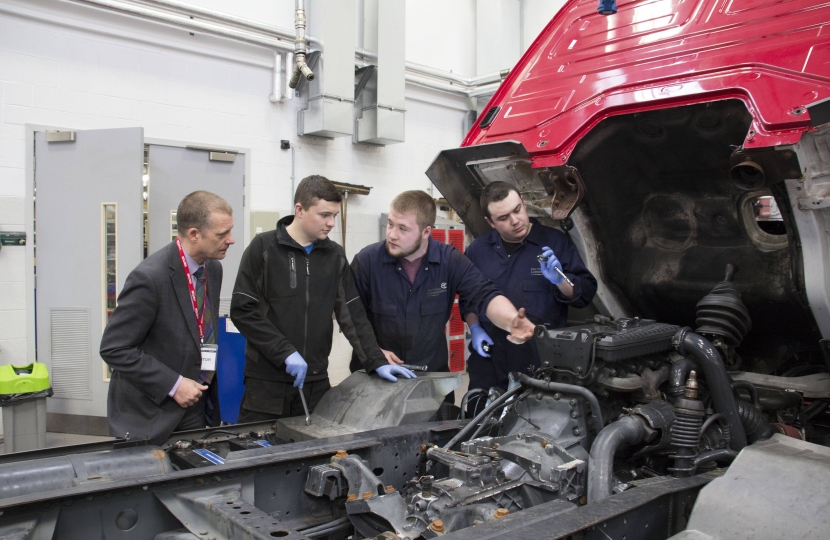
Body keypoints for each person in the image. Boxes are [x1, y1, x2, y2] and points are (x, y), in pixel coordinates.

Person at [231, 175, 412, 423]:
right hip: (267, 383)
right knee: (259, 454)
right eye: (324, 215)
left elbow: (352, 313)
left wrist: (375, 360)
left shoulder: (334, 255)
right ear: (300, 210)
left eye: (335, 216)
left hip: (316, 382)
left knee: (316, 454)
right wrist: (284, 353)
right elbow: (242, 310)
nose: (330, 223)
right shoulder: (263, 248)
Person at [349, 190, 536, 376]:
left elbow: (484, 294)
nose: (391, 235)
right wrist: (374, 355)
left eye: (402, 228)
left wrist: (512, 320)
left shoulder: (449, 261)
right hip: (376, 373)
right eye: (391, 224)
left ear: (426, 232)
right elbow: (351, 317)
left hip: (430, 375)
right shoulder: (367, 262)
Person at [100, 191, 235, 444]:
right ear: (194, 234)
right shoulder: (150, 278)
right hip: (151, 414)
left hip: (197, 405)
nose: (231, 240)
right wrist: (173, 384)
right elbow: (114, 348)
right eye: (221, 234)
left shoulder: (213, 269)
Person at [463, 181, 597, 397]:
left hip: (538, 365)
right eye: (503, 218)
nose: (515, 221)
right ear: (490, 222)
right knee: (478, 424)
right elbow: (468, 298)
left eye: (517, 210)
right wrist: (475, 328)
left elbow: (585, 293)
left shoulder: (556, 243)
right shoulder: (478, 250)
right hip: (488, 362)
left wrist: (560, 279)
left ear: (523, 203)